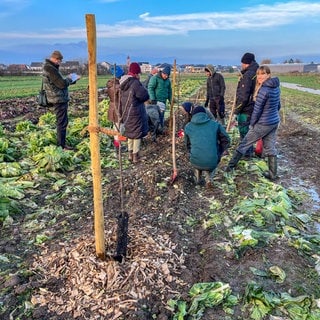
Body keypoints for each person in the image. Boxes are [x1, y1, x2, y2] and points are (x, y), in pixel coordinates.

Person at [226, 66, 281, 180]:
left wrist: (252, 124)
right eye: (259, 74)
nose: (260, 77)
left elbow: (257, 110)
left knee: (245, 143)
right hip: (274, 122)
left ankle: (229, 167)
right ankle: (272, 174)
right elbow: (278, 106)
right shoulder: (276, 87)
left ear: (268, 75)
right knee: (270, 147)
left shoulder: (264, 89)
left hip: (263, 123)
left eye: (263, 74)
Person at [184, 106, 230, 189]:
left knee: (196, 155)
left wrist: (192, 152)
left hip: (195, 160)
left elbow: (187, 145)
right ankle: (209, 178)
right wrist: (220, 151)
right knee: (213, 155)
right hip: (212, 161)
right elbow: (226, 140)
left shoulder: (188, 127)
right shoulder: (215, 125)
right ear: (205, 114)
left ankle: (198, 175)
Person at [42, 50, 80, 150]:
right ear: (55, 59)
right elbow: (61, 84)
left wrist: (70, 80)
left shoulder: (50, 68)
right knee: (62, 122)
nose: (60, 63)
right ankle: (61, 145)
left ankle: (61, 144)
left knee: (62, 121)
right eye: (59, 61)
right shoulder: (50, 69)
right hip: (58, 99)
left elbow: (60, 82)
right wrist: (70, 78)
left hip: (58, 98)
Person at [119, 62, 149, 163]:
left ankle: (130, 155)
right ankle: (136, 156)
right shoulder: (135, 83)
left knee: (130, 134)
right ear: (136, 73)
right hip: (135, 112)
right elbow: (144, 96)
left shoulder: (123, 82)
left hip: (126, 112)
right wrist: (140, 83)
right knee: (137, 134)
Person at [233, 52, 259, 157]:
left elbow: (243, 96)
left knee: (244, 132)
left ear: (246, 63)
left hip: (246, 109)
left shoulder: (248, 75)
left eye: (242, 63)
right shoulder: (256, 72)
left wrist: (237, 110)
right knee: (249, 131)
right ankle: (248, 151)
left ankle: (246, 154)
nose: (241, 65)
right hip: (253, 107)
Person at [106, 65, 125, 153]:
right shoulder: (117, 86)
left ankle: (118, 145)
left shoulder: (111, 84)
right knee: (119, 129)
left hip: (113, 108)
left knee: (117, 128)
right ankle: (118, 147)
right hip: (117, 109)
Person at [147, 64, 172, 129]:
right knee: (155, 117)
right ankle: (155, 130)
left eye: (167, 75)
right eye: (165, 75)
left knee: (161, 116)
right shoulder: (155, 78)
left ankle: (160, 129)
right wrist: (152, 98)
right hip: (156, 101)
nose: (166, 76)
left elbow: (169, 91)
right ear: (162, 72)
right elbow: (150, 88)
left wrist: (170, 100)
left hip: (163, 101)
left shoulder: (168, 81)